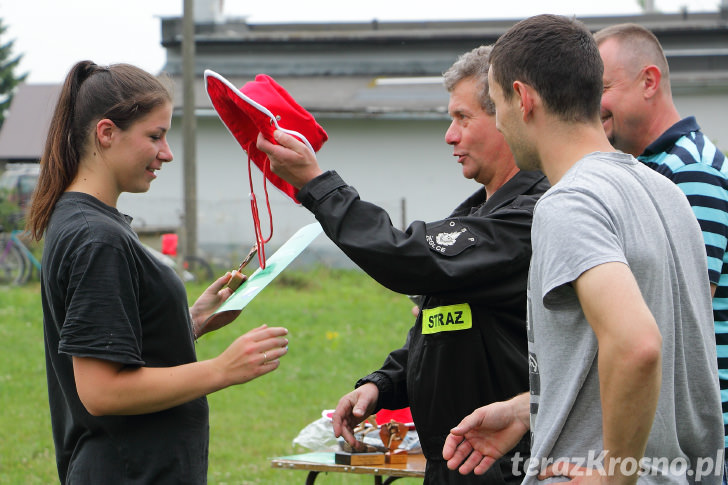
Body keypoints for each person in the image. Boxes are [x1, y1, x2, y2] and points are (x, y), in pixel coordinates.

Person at [442, 14, 724, 484]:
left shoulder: (568, 204)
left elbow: (637, 345)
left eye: (496, 104)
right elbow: (669, 358)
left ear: (523, 100)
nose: (500, 121)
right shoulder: (664, 191)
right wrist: (531, 408)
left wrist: (617, 477)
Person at [257, 45, 550, 484]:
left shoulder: (531, 216)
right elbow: (451, 327)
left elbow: (404, 257)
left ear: (509, 115)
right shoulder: (475, 217)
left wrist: (319, 187)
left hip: (506, 466)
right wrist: (384, 383)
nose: (450, 136)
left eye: (462, 118)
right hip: (453, 465)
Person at [25, 61, 289, 484]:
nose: (166, 152)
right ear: (106, 133)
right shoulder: (97, 237)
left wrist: (192, 322)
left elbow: (116, 342)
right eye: (155, 136)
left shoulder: (85, 221)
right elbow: (102, 390)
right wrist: (223, 368)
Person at [594, 23, 728, 465]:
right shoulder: (647, 166)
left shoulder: (690, 169)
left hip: (694, 430)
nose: (593, 104)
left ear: (648, 81)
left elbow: (682, 311)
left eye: (604, 87)